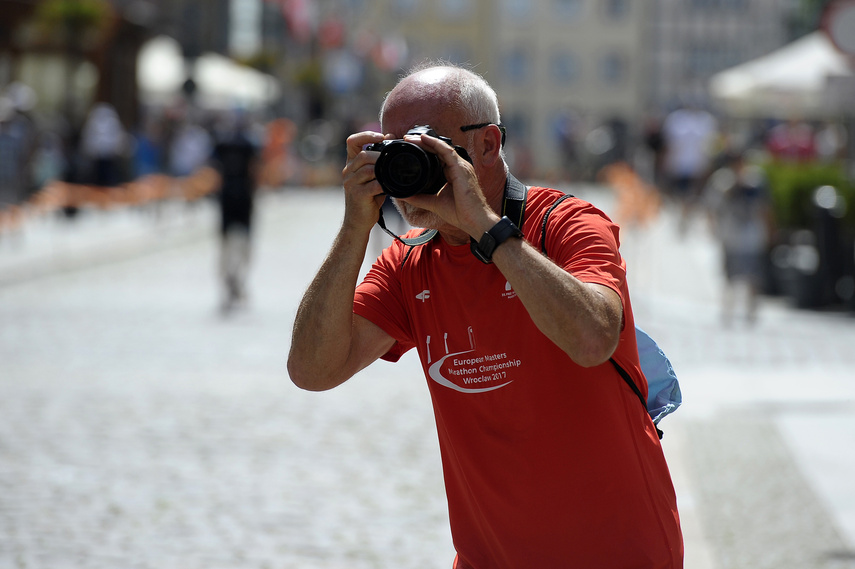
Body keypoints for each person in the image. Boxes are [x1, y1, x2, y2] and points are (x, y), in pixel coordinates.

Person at [288, 62, 683, 568]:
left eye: (424, 146)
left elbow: (593, 339)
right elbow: (312, 371)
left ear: (488, 145)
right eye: (391, 148)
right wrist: (353, 230)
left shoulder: (567, 224)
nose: (407, 167)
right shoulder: (410, 264)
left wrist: (486, 228)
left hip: (620, 554)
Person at [211, 112, 259, 313]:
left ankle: (230, 276)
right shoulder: (250, 145)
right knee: (244, 243)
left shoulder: (221, 144)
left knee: (226, 242)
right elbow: (255, 169)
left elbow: (213, 169)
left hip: (226, 197)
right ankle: (236, 275)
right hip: (244, 197)